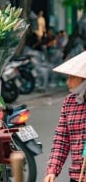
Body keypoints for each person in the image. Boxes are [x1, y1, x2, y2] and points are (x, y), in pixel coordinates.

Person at [43, 51, 86, 182]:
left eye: (72, 77)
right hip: (76, 175)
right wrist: (52, 170)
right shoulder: (69, 101)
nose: (68, 82)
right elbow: (62, 137)